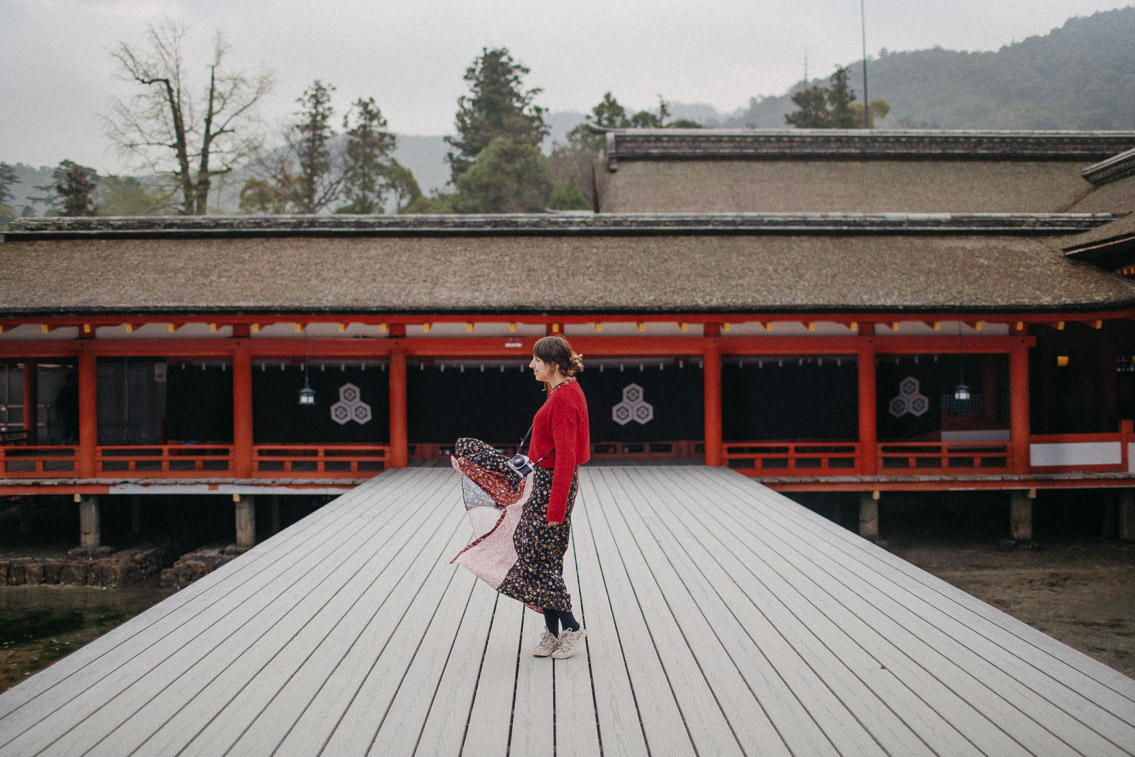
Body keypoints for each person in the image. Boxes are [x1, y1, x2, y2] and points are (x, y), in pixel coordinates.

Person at [451, 335, 591, 659]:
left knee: (538, 558)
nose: (531, 365)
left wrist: (556, 512)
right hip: (544, 483)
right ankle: (553, 633)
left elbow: (567, 459)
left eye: (537, 361)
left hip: (553, 488)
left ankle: (571, 628)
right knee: (541, 558)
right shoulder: (562, 391)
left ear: (552, 365)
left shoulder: (565, 399)